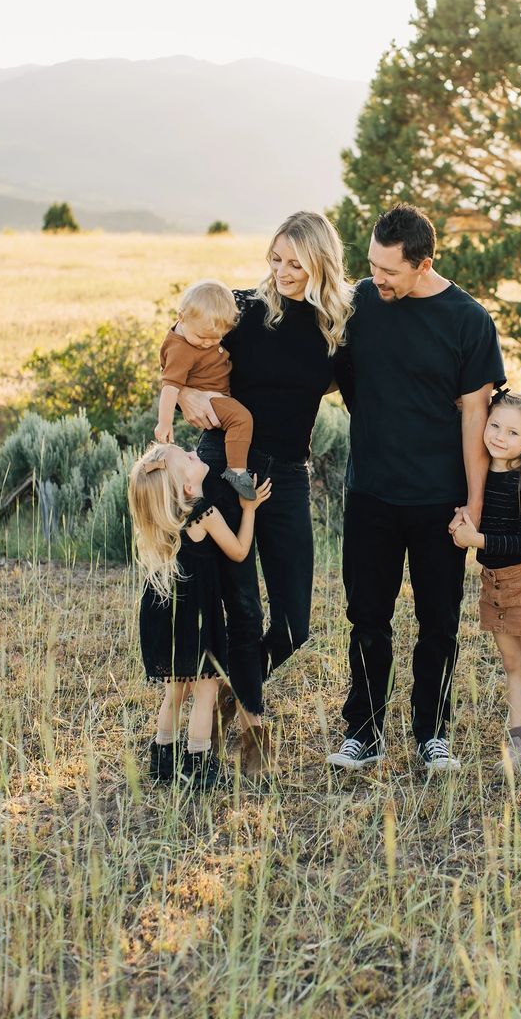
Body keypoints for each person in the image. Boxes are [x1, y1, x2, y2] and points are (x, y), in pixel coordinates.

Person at [326, 203, 505, 772]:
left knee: (439, 621)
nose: (375, 278)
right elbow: (334, 375)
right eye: (372, 264)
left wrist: (474, 507)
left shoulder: (468, 320)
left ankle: (433, 733)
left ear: (424, 264)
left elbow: (476, 418)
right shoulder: (359, 305)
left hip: (439, 500)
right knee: (367, 617)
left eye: (389, 271)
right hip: (370, 493)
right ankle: (365, 730)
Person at [176, 211, 353, 774]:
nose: (282, 271)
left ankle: (232, 687)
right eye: (275, 259)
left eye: (295, 262)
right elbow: (181, 344)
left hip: (288, 475)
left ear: (321, 262)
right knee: (241, 607)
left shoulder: (335, 329)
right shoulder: (245, 310)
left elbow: (364, 393)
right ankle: (252, 724)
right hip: (225, 466)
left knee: (294, 623)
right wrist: (184, 401)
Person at [127, 442, 271, 789]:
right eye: (190, 458)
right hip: (197, 620)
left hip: (163, 616)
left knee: (175, 693)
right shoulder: (203, 513)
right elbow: (237, 551)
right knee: (206, 692)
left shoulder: (164, 521)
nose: (197, 454)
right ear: (189, 488)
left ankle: (162, 759)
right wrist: (248, 509)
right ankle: (199, 767)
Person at [450, 389, 521, 775]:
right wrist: (463, 522)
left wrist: (476, 540)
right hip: (494, 583)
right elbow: (477, 520)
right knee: (511, 664)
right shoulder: (479, 476)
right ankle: (519, 742)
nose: (499, 435)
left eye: (512, 432)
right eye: (494, 425)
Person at [154, 279, 257, 500]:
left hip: (218, 394)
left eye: (216, 339)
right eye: (202, 338)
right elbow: (170, 387)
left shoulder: (196, 328)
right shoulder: (181, 350)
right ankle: (236, 470)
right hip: (210, 398)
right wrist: (165, 422)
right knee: (241, 420)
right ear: (181, 317)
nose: (208, 344)